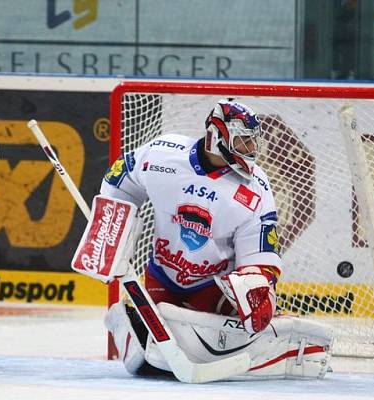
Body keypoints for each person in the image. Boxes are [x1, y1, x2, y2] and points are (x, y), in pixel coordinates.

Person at [99, 99, 333, 379]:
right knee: (144, 343)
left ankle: (275, 343)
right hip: (162, 276)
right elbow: (120, 178)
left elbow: (260, 251)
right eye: (244, 142)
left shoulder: (255, 188)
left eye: (253, 142)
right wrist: (111, 226)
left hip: (215, 288)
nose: (252, 150)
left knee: (214, 335)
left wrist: (258, 286)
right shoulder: (163, 155)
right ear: (217, 137)